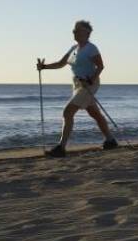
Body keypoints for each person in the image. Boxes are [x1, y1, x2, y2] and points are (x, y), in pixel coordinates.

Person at [36, 20, 118, 157]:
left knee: (67, 112)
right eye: (74, 30)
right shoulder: (73, 48)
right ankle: (111, 140)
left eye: (78, 30)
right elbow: (61, 63)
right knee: (94, 114)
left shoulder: (91, 48)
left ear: (87, 33)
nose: (74, 32)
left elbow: (100, 66)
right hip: (77, 85)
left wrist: (91, 79)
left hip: (88, 84)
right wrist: (44, 67)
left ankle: (61, 148)